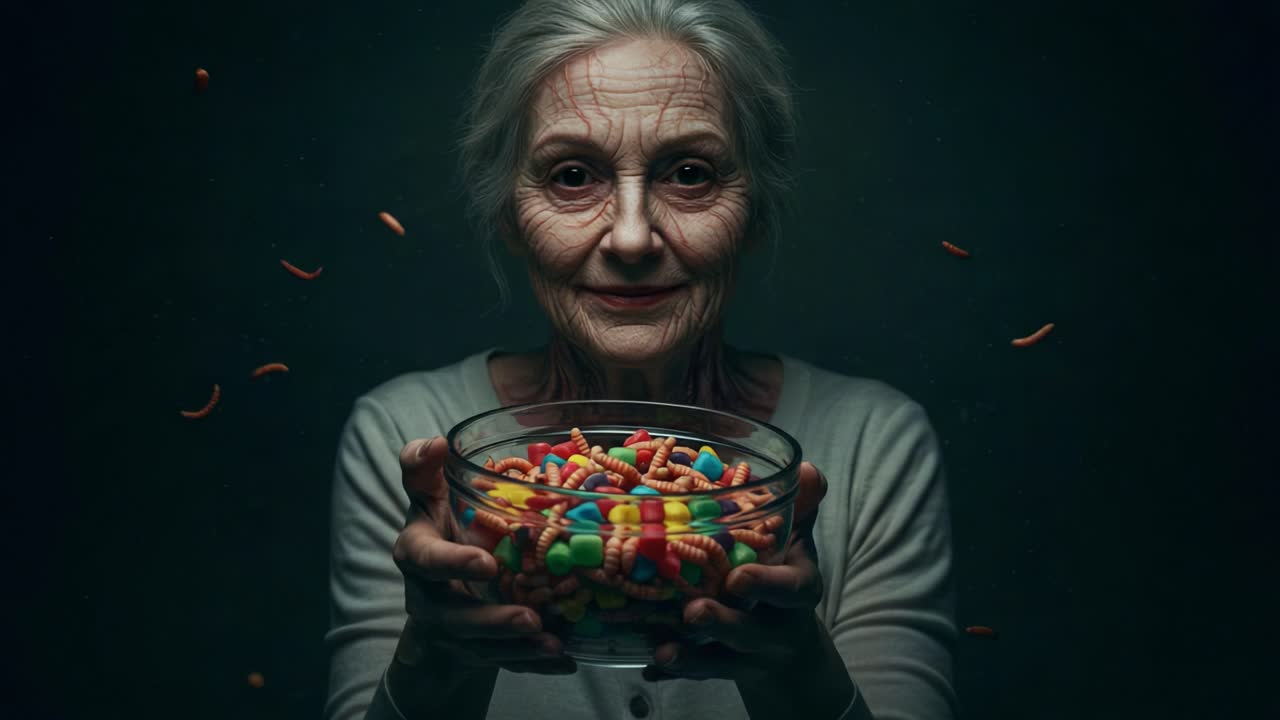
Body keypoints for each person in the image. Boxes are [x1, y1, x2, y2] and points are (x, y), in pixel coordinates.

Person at [324, 1, 958, 718]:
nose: (631, 239)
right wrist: (437, 653)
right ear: (508, 212)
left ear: (756, 210)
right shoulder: (411, 437)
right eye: (571, 176)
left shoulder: (874, 443)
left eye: (690, 173)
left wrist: (797, 671)